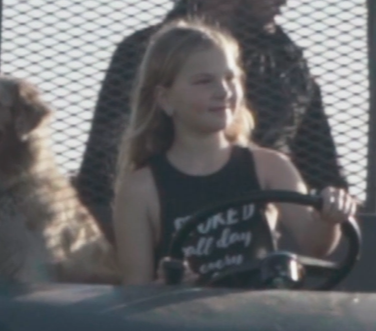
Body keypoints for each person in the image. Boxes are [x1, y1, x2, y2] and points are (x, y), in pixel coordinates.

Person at [76, 0, 344, 229]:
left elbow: (322, 163)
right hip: (162, 219)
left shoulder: (287, 64)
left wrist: (334, 208)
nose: (282, 2)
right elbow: (105, 157)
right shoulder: (145, 53)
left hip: (269, 226)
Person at [112, 21, 356, 286]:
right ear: (165, 99)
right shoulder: (140, 189)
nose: (223, 91)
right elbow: (135, 291)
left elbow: (316, 246)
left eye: (230, 78)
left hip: (257, 319)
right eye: (204, 81)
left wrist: (329, 218)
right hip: (182, 324)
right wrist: (168, 287)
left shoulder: (269, 167)